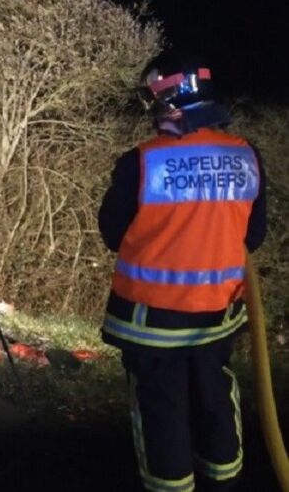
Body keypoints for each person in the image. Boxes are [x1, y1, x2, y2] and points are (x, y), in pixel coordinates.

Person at [98, 51, 267, 492]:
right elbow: (254, 235)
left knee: (161, 409)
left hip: (151, 321)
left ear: (172, 100)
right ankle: (225, 482)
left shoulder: (141, 161)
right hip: (218, 318)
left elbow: (113, 233)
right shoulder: (246, 156)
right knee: (215, 399)